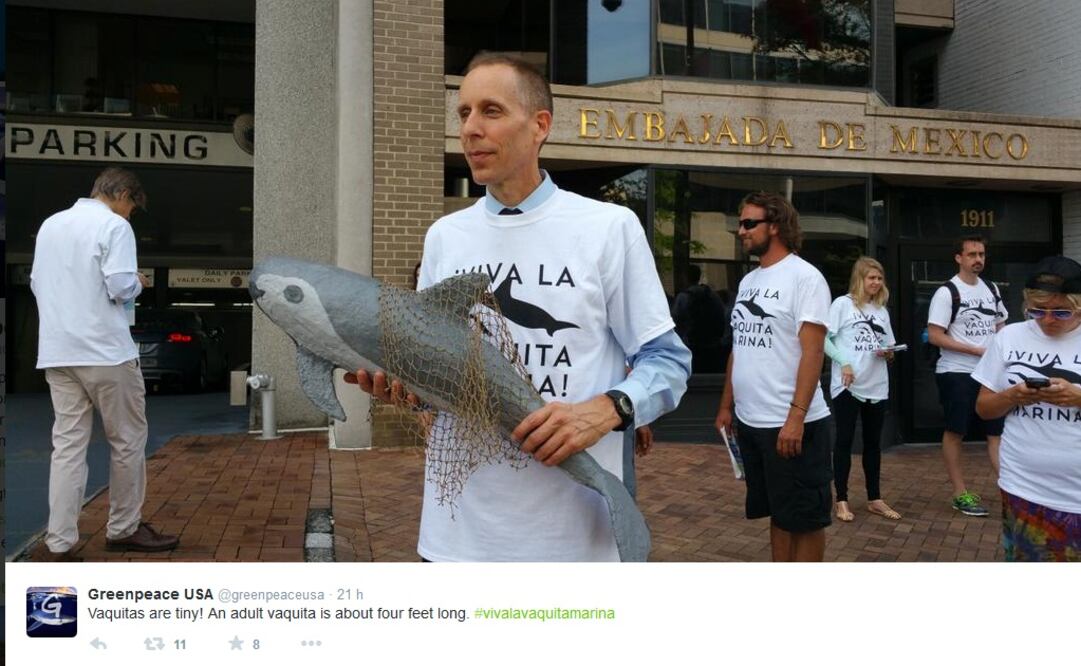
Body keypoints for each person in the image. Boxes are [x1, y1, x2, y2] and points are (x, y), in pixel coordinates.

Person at [349, 53, 690, 561]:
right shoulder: (446, 236)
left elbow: (669, 363)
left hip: (576, 539)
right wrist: (406, 388)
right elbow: (439, 375)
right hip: (457, 539)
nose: (469, 129)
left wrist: (606, 411)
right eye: (463, 113)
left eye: (490, 111)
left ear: (539, 126)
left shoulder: (608, 228)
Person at [30, 167, 179, 560]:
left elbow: (36, 282)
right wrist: (139, 284)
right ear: (123, 194)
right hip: (106, 352)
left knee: (67, 446)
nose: (130, 215)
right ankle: (123, 528)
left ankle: (60, 542)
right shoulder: (114, 227)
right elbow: (118, 286)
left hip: (58, 352)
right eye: (131, 207)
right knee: (127, 441)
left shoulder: (51, 225)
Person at [714, 192, 833, 562]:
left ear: (776, 226)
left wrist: (795, 417)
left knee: (806, 519)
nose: (740, 231)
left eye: (749, 223)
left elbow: (813, 352)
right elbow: (740, 347)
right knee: (780, 513)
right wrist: (726, 406)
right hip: (753, 423)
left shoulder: (805, 278)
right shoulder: (750, 281)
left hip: (794, 426)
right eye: (740, 223)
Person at [972, 256, 1081, 561]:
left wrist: (1078, 397)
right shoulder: (1009, 337)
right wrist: (1014, 395)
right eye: (1037, 310)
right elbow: (983, 409)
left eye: (1061, 312)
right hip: (1023, 486)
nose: (1047, 319)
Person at [927, 235, 1007, 517]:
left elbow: (1001, 326)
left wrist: (1000, 355)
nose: (978, 259)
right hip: (957, 372)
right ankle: (960, 493)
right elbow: (935, 335)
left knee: (996, 434)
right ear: (958, 258)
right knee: (956, 431)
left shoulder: (992, 289)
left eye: (982, 254)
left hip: (989, 374)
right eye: (972, 254)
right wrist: (974, 350)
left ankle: (1010, 491)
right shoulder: (947, 292)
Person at [825, 257, 901, 522]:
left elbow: (888, 346)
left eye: (879, 278)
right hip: (848, 385)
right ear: (860, 278)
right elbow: (824, 339)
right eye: (871, 278)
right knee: (844, 442)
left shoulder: (881, 310)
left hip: (876, 384)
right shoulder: (842, 304)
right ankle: (841, 500)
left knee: (873, 444)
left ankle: (874, 498)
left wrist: (889, 353)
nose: (876, 283)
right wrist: (844, 362)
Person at [672, 264, 730, 373]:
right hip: (712, 347)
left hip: (690, 346)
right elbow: (722, 317)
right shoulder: (713, 296)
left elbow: (675, 322)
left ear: (685, 277)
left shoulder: (683, 297)